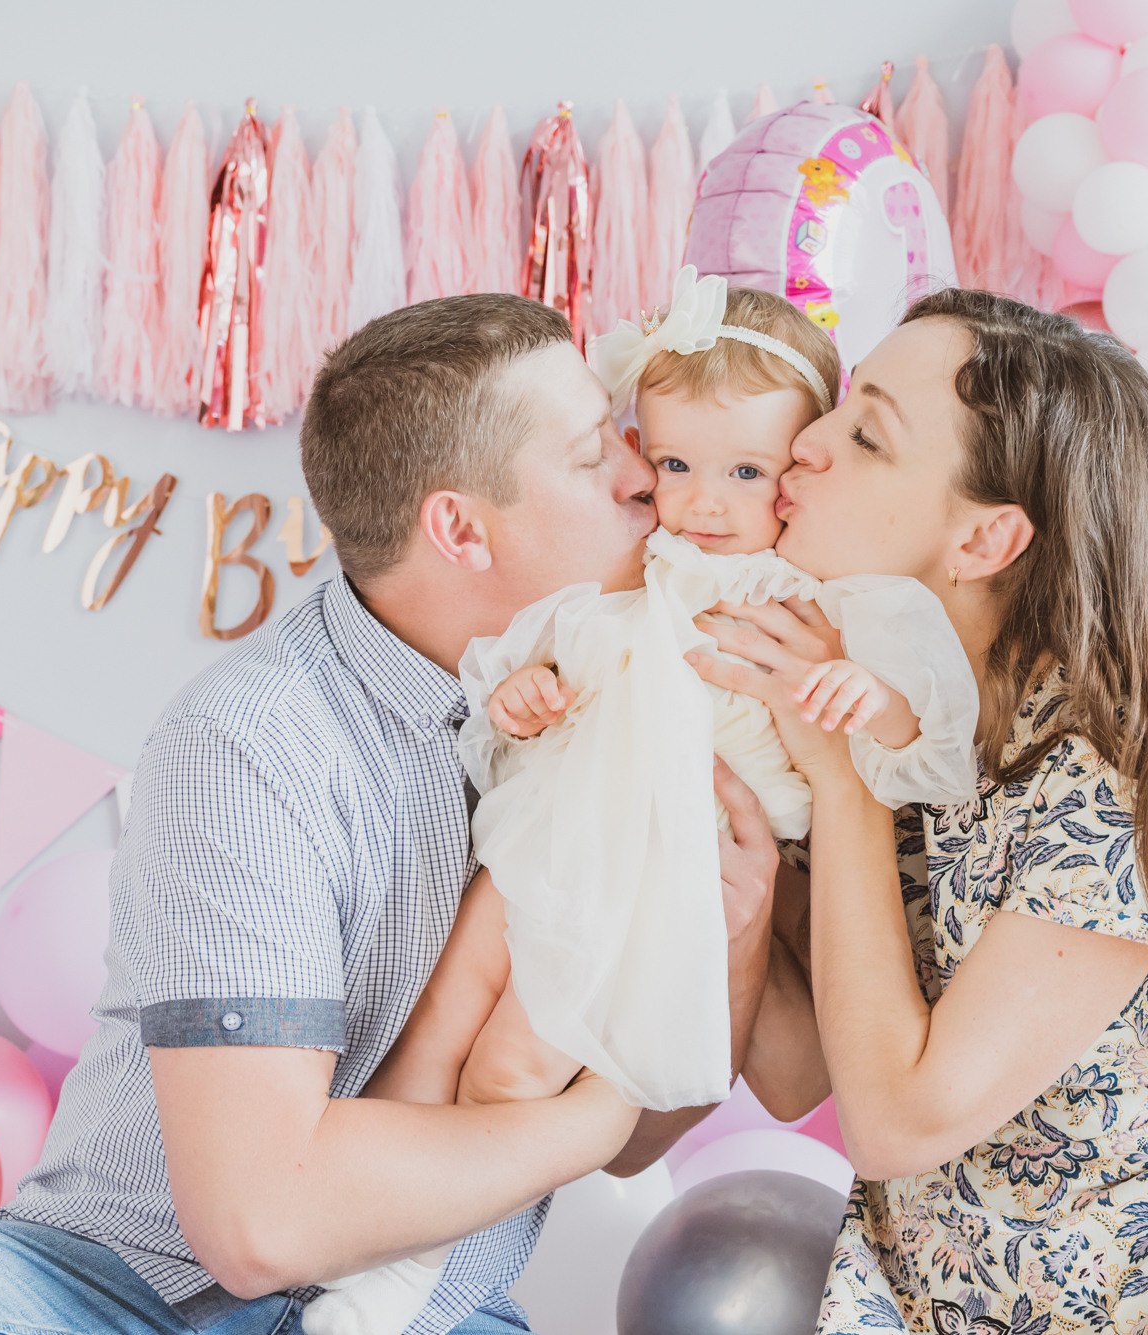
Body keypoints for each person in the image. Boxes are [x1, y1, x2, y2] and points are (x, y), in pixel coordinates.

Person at [0, 294, 785, 1335]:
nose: (649, 480)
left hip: (419, 1310)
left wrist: (733, 941)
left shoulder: (639, 711)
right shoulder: (255, 741)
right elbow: (262, 1227)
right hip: (126, 1295)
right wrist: (583, 1123)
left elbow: (639, 1140)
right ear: (459, 530)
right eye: (599, 455)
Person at [693, 288, 1148, 1332]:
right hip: (957, 1297)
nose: (806, 443)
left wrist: (839, 786)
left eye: (866, 434)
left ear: (981, 541)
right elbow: (802, 1071)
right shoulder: (882, 698)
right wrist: (741, 892)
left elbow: (891, 1122)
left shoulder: (1110, 780)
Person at [301, 269, 978, 1335]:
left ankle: (405, 1284)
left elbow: (929, 747)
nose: (701, 501)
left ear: (798, 468)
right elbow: (532, 647)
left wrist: (873, 703)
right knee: (430, 1033)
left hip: (668, 865)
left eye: (745, 470)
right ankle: (333, 1237)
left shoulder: (819, 594)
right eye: (671, 463)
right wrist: (521, 691)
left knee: (516, 1065)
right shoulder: (635, 561)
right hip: (560, 822)